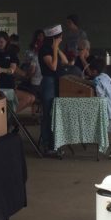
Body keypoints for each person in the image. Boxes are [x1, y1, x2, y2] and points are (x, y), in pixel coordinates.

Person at [38, 24, 71, 157]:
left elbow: (66, 61)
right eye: (60, 38)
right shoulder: (45, 49)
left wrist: (57, 49)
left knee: (54, 114)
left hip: (56, 83)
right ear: (54, 38)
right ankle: (47, 145)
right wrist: (55, 47)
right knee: (48, 114)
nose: (61, 39)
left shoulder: (52, 48)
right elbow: (53, 66)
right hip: (48, 82)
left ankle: (53, 143)